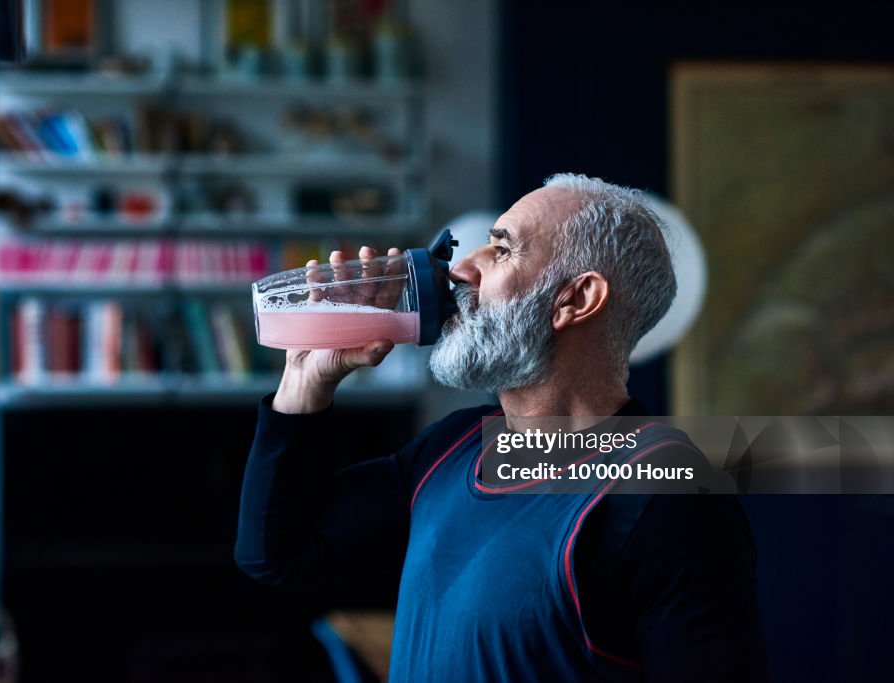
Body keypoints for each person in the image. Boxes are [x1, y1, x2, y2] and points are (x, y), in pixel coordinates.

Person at [235, 174, 769, 682]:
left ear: (577, 299)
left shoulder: (667, 499)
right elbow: (278, 555)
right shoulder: (453, 447)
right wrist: (306, 379)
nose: (463, 269)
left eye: (502, 248)